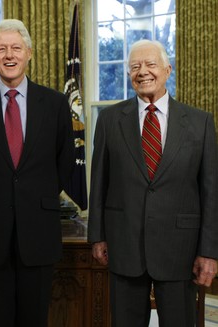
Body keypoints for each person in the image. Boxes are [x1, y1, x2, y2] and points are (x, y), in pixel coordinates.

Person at [88, 39, 218, 326]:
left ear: (167, 70)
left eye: (150, 64)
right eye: (134, 66)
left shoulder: (200, 123)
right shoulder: (110, 120)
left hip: (179, 250)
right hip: (124, 247)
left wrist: (209, 251)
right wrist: (96, 234)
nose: (142, 71)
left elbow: (211, 192)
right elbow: (99, 181)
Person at [0, 19, 74, 326]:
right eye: (1, 49)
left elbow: (64, 162)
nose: (8, 55)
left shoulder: (55, 103)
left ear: (29, 53)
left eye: (15, 48)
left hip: (38, 230)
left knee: (34, 318)